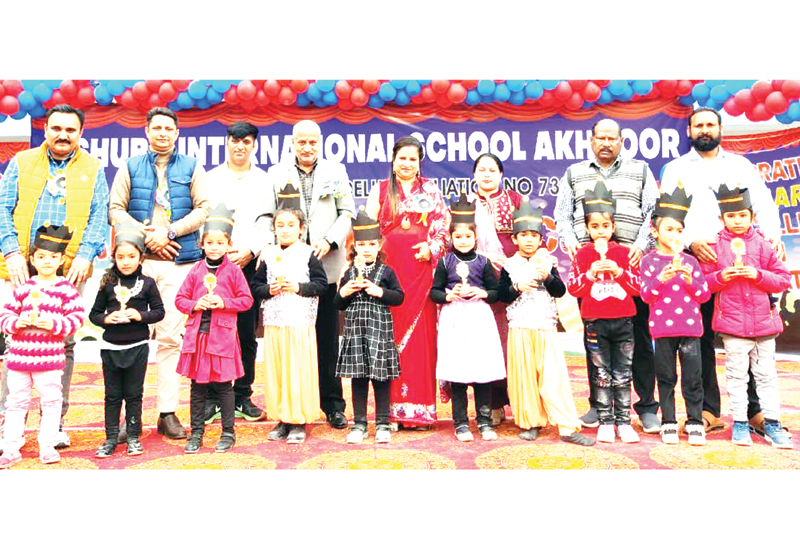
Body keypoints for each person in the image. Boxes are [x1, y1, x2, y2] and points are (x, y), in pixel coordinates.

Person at [660, 107, 782, 435]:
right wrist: (688, 241)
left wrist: (773, 238)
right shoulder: (674, 169)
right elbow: (670, 214)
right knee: (698, 340)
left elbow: (764, 206)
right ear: (689, 131)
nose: (704, 129)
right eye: (698, 125)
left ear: (720, 129)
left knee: (749, 334)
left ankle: (754, 411)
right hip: (697, 262)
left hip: (743, 265)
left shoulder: (741, 166)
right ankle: (708, 410)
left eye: (710, 124)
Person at [0, 104, 109, 451]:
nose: (63, 135)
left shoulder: (93, 168)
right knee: (11, 337)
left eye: (71, 130)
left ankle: (55, 423)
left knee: (63, 340)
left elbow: (98, 213)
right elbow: (2, 207)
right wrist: (12, 251)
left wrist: (86, 254)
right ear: (45, 128)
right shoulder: (21, 162)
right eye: (56, 128)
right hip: (20, 265)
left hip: (70, 268)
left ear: (81, 133)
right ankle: (7, 424)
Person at [109, 107, 210, 440]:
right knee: (130, 339)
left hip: (177, 263)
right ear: (147, 132)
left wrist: (168, 233)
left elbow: (204, 208)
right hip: (136, 264)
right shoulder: (130, 166)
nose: (163, 133)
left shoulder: (192, 166)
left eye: (169, 128)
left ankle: (167, 413)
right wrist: (145, 234)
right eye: (157, 128)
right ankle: (130, 417)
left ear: (177, 133)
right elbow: (116, 209)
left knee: (169, 339)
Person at [554, 118, 660, 434]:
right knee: (595, 342)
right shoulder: (574, 173)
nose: (606, 143)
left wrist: (642, 245)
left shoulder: (641, 170)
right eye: (600, 137)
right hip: (592, 270)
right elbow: (562, 213)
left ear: (622, 140)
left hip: (629, 266)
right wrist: (571, 240)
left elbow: (653, 212)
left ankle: (646, 406)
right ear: (591, 140)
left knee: (637, 338)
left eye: (612, 138)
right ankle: (597, 406)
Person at [262, 120, 355, 430]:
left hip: (325, 268)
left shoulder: (335, 172)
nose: (307, 147)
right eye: (301, 142)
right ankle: (289, 407)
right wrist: (269, 249)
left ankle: (332, 404)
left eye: (312, 142)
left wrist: (329, 241)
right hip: (287, 270)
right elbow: (266, 216)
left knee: (328, 339)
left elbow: (347, 212)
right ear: (292, 143)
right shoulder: (276, 174)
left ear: (320, 142)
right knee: (290, 340)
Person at [365, 136, 451, 429]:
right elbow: (367, 233)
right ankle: (388, 414)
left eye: (412, 159)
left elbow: (443, 228)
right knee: (387, 338)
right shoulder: (379, 191)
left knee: (420, 340)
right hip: (388, 276)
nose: (407, 163)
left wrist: (432, 248)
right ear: (393, 159)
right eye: (402, 157)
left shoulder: (431, 190)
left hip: (420, 275)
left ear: (419, 163)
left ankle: (420, 411)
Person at [700, 185, 792, 448]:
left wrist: (759, 275)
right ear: (721, 219)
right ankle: (740, 423)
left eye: (742, 215)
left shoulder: (763, 245)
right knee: (736, 376)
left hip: (764, 325)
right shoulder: (714, 247)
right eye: (731, 216)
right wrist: (719, 278)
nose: (737, 221)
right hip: (732, 326)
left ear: (752, 216)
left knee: (766, 376)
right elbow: (702, 285)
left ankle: (771, 422)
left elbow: (783, 279)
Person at [498, 201, 594, 446]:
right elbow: (502, 295)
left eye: (533, 236)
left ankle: (566, 426)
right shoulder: (508, 265)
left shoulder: (547, 262)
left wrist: (548, 277)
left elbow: (560, 292)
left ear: (540, 239)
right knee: (525, 378)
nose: (529, 240)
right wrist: (516, 287)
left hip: (546, 328)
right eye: (523, 235)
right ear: (515, 239)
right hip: (520, 328)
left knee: (553, 377)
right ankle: (532, 422)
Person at [203, 121, 271, 424]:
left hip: (248, 264)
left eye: (246, 141)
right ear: (226, 143)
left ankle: (243, 395)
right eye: (234, 140)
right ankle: (213, 398)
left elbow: (268, 222)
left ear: (254, 145)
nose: (240, 146)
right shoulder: (210, 178)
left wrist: (251, 251)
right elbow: (203, 219)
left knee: (246, 335)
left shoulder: (264, 180)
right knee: (213, 333)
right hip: (215, 268)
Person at [0, 225, 84, 468]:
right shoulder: (23, 288)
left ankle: (47, 445)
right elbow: (5, 317)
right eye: (41, 257)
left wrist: (54, 323)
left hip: (49, 358)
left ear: (60, 260)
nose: (47, 261)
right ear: (33, 259)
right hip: (19, 359)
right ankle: (11, 446)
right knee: (15, 402)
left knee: (50, 401)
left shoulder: (66, 290)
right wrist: (17, 322)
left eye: (53, 257)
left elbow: (76, 319)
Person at [252, 185, 328, 444]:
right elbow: (256, 287)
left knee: (298, 371)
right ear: (274, 228)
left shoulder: (309, 254)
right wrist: (268, 290)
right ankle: (282, 419)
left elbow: (321, 285)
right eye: (280, 225)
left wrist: (298, 287)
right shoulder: (268, 255)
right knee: (278, 371)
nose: (284, 229)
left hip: (299, 324)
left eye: (290, 225)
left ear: (301, 228)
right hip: (274, 324)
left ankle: (299, 421)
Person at [175, 204, 254, 453]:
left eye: (220, 243)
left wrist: (224, 302)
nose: (214, 247)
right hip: (198, 338)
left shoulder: (233, 271)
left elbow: (247, 300)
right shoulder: (196, 271)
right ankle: (196, 432)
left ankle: (228, 432)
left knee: (223, 387)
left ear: (228, 244)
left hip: (223, 339)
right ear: (202, 244)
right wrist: (196, 304)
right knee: (197, 387)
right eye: (210, 242)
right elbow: (180, 299)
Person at [566, 181, 641, 444]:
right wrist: (590, 274)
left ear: (613, 227)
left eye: (605, 226)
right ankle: (606, 421)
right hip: (595, 323)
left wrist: (619, 272)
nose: (600, 231)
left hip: (623, 321)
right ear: (586, 228)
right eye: (594, 226)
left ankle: (624, 420)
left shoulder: (623, 253)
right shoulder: (583, 255)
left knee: (623, 373)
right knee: (601, 374)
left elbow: (638, 288)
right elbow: (573, 289)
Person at [430, 194, 505, 442]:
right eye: (458, 237)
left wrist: (482, 292)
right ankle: (460, 423)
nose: (463, 241)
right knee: (459, 373)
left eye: (468, 236)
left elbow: (495, 292)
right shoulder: (445, 262)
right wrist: (448, 295)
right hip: (455, 320)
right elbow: (434, 292)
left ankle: (483, 421)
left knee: (481, 371)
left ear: (475, 237)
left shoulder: (482, 262)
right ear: (451, 237)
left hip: (479, 318)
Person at [639, 187, 710, 445]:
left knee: (693, 378)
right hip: (661, 330)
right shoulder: (648, 261)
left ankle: (693, 421)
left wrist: (690, 281)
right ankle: (668, 421)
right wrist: (661, 278)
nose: (675, 235)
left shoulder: (691, 262)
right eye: (669, 229)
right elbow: (646, 295)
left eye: (679, 231)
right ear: (654, 231)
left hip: (690, 329)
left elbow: (703, 296)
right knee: (666, 377)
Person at [90, 221, 165, 458]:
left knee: (134, 394)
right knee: (112, 395)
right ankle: (111, 438)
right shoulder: (107, 283)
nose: (126, 261)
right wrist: (107, 319)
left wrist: (140, 315)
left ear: (140, 257)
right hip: (111, 348)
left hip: (137, 347)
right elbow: (94, 314)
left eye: (131, 256)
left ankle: (133, 436)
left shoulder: (148, 284)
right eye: (120, 256)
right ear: (114, 257)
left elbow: (159, 311)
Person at [335, 208, 404, 444]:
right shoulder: (349, 272)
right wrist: (344, 291)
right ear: (355, 246)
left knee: (381, 377)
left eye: (370, 244)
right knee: (358, 377)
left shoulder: (387, 271)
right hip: (355, 331)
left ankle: (383, 423)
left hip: (379, 330)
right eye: (361, 244)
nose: (366, 249)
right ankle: (360, 424)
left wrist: (380, 291)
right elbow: (338, 304)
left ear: (379, 246)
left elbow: (399, 297)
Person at [470, 152, 524, 426]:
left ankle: (520, 400)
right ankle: (491, 403)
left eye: (492, 169)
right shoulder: (466, 204)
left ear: (501, 174)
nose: (487, 174)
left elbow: (528, 235)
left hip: (512, 279)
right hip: (478, 278)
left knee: (512, 342)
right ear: (475, 174)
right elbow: (455, 240)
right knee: (484, 342)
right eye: (482, 169)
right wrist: (485, 257)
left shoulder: (514, 200)